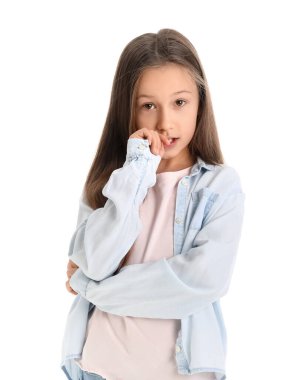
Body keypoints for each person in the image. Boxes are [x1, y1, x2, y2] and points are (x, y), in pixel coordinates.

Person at [61, 28, 245, 380]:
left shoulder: (220, 187)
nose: (165, 123)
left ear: (200, 104)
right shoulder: (107, 183)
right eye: (148, 106)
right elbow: (98, 261)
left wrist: (89, 287)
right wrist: (137, 169)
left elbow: (200, 281)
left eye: (179, 102)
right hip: (99, 367)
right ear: (126, 110)